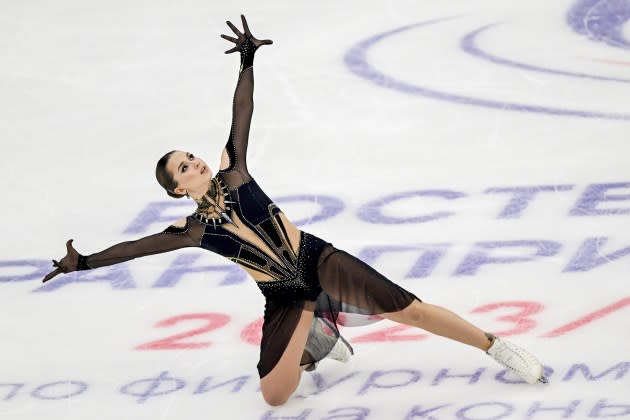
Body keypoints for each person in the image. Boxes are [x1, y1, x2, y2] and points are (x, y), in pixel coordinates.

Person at [43, 15, 547, 406]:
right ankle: (318, 335)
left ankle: (498, 347)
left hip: (318, 261)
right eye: (183, 167)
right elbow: (133, 249)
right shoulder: (188, 229)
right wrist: (82, 263)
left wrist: (246, 63)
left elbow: (242, 113)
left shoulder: (233, 169)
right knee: (276, 396)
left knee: (410, 310)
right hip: (282, 295)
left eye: (191, 156)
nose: (193, 161)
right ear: (177, 189)